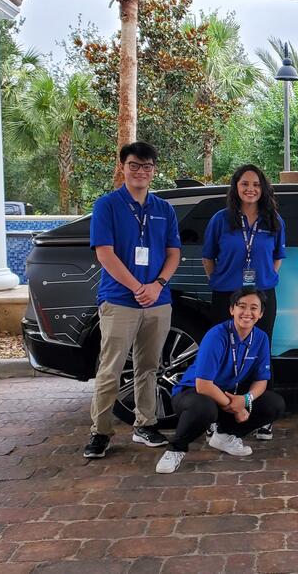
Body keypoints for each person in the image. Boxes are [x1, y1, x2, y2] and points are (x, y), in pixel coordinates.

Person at [84, 142, 182, 459]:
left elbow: (173, 253)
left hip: (158, 300)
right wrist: (138, 286)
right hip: (119, 300)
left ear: (154, 171)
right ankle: (100, 432)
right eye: (134, 165)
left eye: (147, 166)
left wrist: (157, 285)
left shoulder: (164, 210)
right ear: (123, 167)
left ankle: (145, 425)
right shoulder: (107, 206)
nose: (141, 171)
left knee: (149, 367)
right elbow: (104, 253)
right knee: (110, 370)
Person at [155, 288, 286, 474]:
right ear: (232, 309)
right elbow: (203, 385)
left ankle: (224, 435)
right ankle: (175, 449)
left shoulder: (260, 338)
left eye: (254, 308)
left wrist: (245, 400)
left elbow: (261, 381)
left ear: (261, 313)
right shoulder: (217, 335)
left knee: (274, 404)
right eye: (242, 306)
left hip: (227, 395)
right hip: (194, 394)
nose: (247, 313)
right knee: (204, 408)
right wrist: (236, 406)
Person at [202, 164, 286, 441]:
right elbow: (208, 256)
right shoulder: (220, 220)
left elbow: (278, 256)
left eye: (256, 185)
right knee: (222, 352)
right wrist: (219, 281)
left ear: (263, 189)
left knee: (261, 349)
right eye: (245, 184)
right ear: (236, 187)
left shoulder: (274, 220)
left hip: (261, 295)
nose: (251, 189)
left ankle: (260, 416)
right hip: (227, 294)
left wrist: (269, 278)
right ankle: (218, 415)